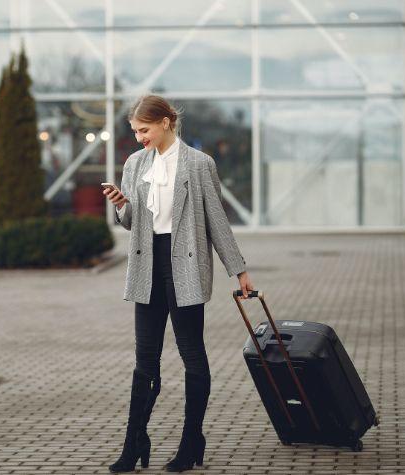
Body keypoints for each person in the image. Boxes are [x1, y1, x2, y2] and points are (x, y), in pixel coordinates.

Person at [103, 95, 255, 473]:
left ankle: (191, 441)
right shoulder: (135, 164)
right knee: (145, 361)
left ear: (167, 122)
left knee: (192, 355)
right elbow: (130, 222)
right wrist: (122, 204)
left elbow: (217, 222)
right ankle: (134, 441)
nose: (140, 138)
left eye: (145, 130)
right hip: (146, 264)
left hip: (184, 263)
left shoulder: (200, 164)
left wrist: (239, 270)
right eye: (136, 131)